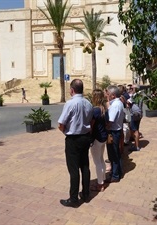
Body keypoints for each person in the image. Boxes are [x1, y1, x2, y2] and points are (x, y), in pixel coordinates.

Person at [58, 79, 93, 207]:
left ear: (72, 90)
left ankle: (73, 199)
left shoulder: (70, 103)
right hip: (85, 137)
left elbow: (61, 124)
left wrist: (66, 132)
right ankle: (86, 193)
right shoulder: (88, 103)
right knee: (85, 166)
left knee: (73, 170)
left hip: (73, 139)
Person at [105, 85, 125, 183]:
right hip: (117, 130)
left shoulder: (115, 105)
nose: (106, 96)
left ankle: (115, 175)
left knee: (113, 154)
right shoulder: (118, 103)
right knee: (116, 153)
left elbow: (110, 121)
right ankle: (119, 172)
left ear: (113, 95)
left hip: (113, 132)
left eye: (108, 94)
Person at [90, 89, 108, 192]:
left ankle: (100, 184)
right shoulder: (104, 108)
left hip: (97, 138)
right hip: (103, 136)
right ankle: (103, 179)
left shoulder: (96, 110)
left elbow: (91, 125)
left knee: (97, 162)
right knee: (101, 159)